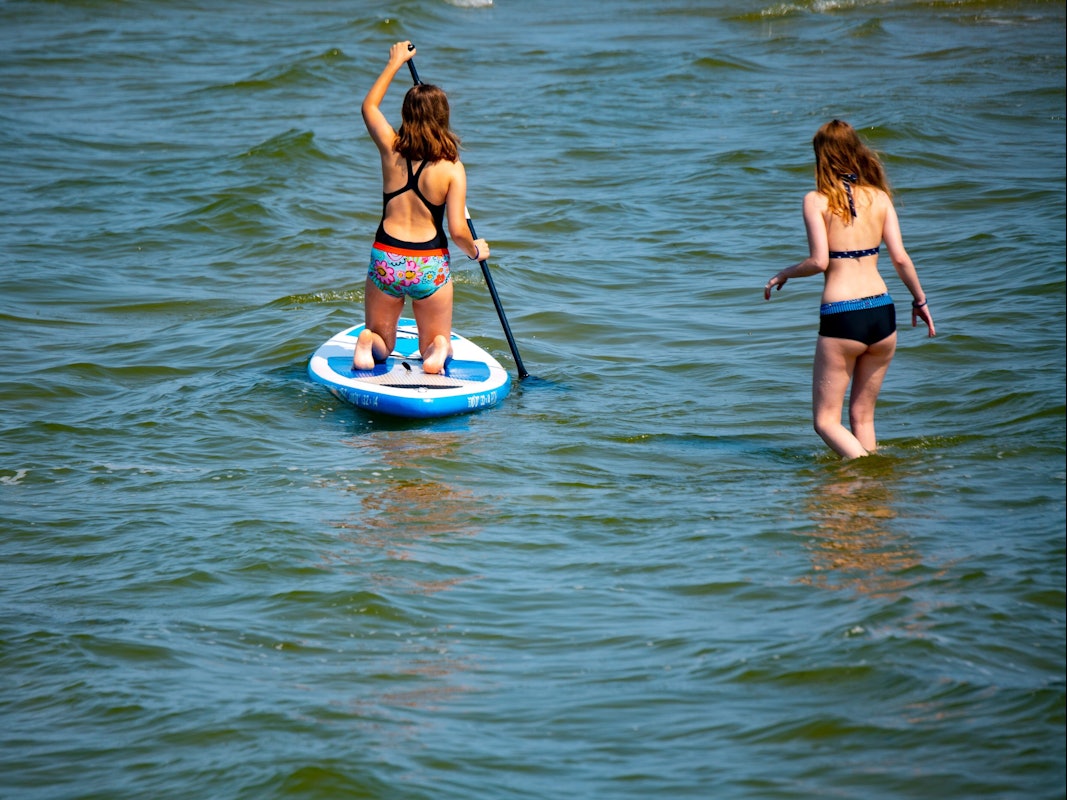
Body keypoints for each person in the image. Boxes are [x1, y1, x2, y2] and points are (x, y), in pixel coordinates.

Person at [763, 120, 935, 459]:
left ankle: (861, 472)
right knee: (862, 416)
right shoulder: (880, 197)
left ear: (821, 156)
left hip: (844, 315)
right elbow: (900, 258)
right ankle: (871, 493)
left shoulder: (816, 201)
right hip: (883, 312)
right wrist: (920, 300)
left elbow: (819, 261)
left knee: (826, 422)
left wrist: (784, 273)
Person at [354, 41, 489, 375]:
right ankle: (438, 347)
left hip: (387, 257)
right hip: (428, 262)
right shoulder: (452, 167)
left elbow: (369, 107)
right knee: (434, 339)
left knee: (383, 345)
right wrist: (476, 251)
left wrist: (396, 62)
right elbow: (457, 230)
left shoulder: (391, 149)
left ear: (405, 115)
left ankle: (368, 341)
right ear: (443, 117)